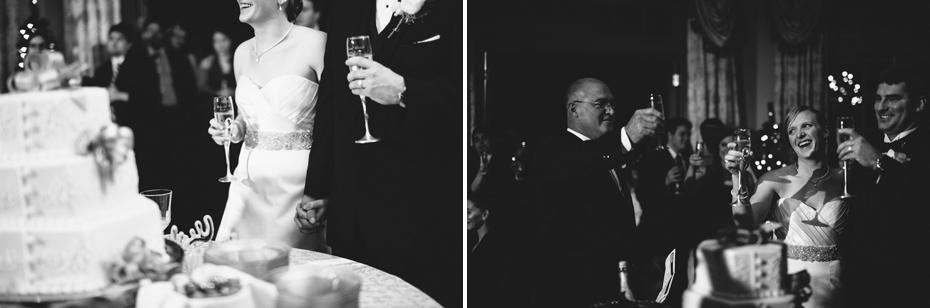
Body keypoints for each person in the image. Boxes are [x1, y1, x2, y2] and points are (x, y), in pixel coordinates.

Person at [295, 0, 461, 305]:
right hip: (353, 208)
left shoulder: (453, 8)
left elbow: (465, 101)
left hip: (423, 211)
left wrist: (403, 90)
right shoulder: (344, 9)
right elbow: (332, 104)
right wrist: (317, 188)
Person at [208, 0, 328, 252]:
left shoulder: (316, 43)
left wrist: (329, 191)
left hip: (298, 189)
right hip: (247, 184)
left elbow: (338, 121)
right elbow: (246, 115)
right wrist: (234, 129)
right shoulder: (241, 52)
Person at [532, 78, 662, 307]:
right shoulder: (554, 148)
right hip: (574, 290)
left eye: (612, 104)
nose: (611, 111)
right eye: (600, 104)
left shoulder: (610, 154)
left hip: (616, 285)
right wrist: (625, 137)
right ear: (574, 108)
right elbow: (569, 168)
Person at [724, 106, 847, 308]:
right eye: (792, 131)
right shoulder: (774, 179)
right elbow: (744, 226)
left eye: (806, 125)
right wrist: (737, 177)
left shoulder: (846, 179)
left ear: (825, 131)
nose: (799, 134)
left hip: (834, 289)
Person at [837, 67, 930, 308]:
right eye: (878, 99)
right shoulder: (863, 148)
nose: (881, 107)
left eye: (893, 99)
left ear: (919, 104)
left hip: (908, 289)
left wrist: (879, 162)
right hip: (859, 287)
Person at [197, 29, 237, 97]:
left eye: (223, 40)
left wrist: (234, 92)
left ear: (231, 40)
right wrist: (217, 93)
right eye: (216, 41)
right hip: (213, 102)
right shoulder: (207, 61)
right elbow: (201, 87)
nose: (220, 45)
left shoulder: (238, 59)